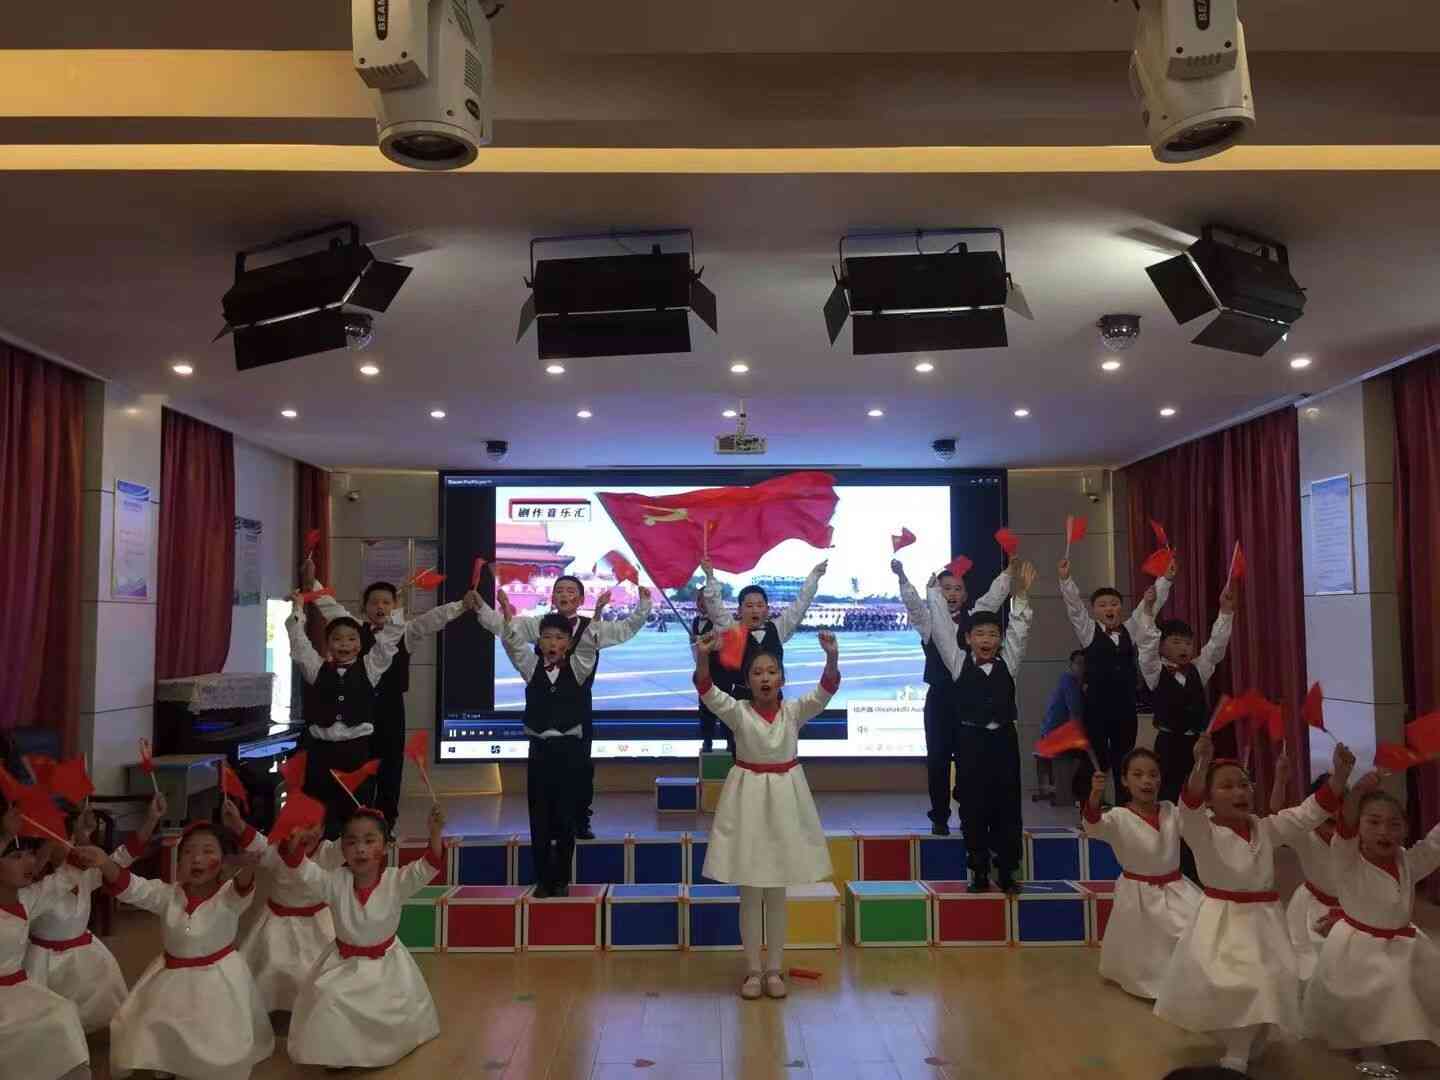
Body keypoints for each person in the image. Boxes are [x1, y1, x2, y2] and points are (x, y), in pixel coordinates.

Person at [1153, 732, 1354, 1076]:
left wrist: (1339, 777)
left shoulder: (1266, 828)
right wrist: (1201, 763)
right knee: (1242, 982)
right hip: (1223, 920)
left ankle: (1246, 1042)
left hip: (1265, 921)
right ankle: (1237, 1052)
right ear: (1210, 799)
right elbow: (1189, 806)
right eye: (1227, 786)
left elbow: (1307, 813)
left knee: (1273, 978)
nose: (1239, 792)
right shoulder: (1202, 830)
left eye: (1244, 785)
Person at [692, 627, 840, 1001]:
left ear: (782, 680)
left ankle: (774, 968)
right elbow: (707, 690)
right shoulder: (738, 712)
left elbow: (825, 690)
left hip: (786, 802)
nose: (765, 678)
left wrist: (831, 657)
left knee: (776, 892)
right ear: (748, 682)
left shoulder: (793, 712)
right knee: (750, 891)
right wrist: (703, 657)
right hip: (748, 802)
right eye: (757, 672)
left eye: (771, 672)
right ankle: (753, 970)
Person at [90, 818, 274, 1080]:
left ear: (223, 861)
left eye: (208, 851)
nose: (197, 859)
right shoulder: (167, 894)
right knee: (151, 1023)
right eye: (188, 852)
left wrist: (248, 866)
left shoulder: (229, 896)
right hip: (171, 975)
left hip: (217, 980)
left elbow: (243, 885)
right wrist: (103, 862)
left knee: (215, 1035)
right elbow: (132, 887)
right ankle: (168, 1060)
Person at [479, 575, 653, 839]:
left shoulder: (592, 627)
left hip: (578, 706)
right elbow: (505, 627)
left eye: (571, 591)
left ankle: (580, 819)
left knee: (581, 767)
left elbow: (626, 629)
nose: (564, 595)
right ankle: (546, 824)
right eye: (559, 590)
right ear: (552, 597)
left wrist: (644, 605)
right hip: (542, 708)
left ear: (581, 599)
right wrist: (481, 607)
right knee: (542, 773)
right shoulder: (538, 624)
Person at [304, 563, 478, 823]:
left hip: (389, 707)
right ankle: (352, 822)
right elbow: (330, 607)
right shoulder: (354, 630)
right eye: (374, 602)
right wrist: (312, 583)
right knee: (359, 769)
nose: (380, 607)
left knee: (390, 766)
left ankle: (387, 825)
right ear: (364, 607)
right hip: (356, 708)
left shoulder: (407, 632)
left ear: (395, 606)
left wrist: (462, 605)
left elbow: (433, 619)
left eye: (386, 602)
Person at [278, 803, 447, 1069]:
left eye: (369, 841)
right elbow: (304, 870)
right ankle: (339, 1052)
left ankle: (380, 1049)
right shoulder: (334, 882)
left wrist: (435, 833)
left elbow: (428, 866)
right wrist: (295, 844)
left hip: (387, 968)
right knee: (329, 997)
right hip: (343, 964)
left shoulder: (396, 881)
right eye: (352, 842)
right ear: (342, 849)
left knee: (391, 1010)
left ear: (386, 847)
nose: (360, 849)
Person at [1301, 772, 1440, 1064]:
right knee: (1370, 996)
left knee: (1410, 989)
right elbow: (1345, 826)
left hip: (1402, 942)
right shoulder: (1347, 857)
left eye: (1394, 824)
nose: (1384, 831)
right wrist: (1359, 790)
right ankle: (1369, 1044)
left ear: (1405, 830)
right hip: (1359, 947)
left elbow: (1434, 846)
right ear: (1358, 827)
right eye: (1373, 822)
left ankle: (1395, 1034)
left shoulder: (1407, 861)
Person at [496, 603, 629, 898]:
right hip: (539, 752)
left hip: (569, 751)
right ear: (539, 641)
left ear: (568, 643)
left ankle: (562, 879)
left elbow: (589, 647)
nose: (552, 643)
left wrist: (597, 616)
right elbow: (513, 644)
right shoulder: (530, 666)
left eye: (559, 638)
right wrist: (506, 617)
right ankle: (543, 880)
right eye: (546, 637)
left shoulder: (579, 668)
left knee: (565, 816)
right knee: (539, 817)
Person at [924, 560, 1037, 893]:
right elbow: (941, 628)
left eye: (993, 634)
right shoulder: (958, 662)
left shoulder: (1009, 662)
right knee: (973, 805)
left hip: (1004, 740)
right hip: (970, 740)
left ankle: (1007, 869)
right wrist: (933, 594)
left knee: (1007, 805)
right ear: (968, 639)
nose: (987, 639)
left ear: (1000, 640)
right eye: (980, 634)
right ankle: (977, 869)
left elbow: (1020, 629)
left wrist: (1021, 596)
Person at [287, 589, 428, 836]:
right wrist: (297, 609)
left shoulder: (370, 668)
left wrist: (397, 609)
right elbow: (299, 643)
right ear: (328, 643)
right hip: (321, 755)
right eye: (337, 639)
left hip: (356, 754)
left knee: (356, 817)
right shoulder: (315, 668)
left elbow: (388, 641)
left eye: (351, 639)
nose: (344, 644)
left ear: (360, 645)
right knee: (319, 819)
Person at [23, 795, 164, 1033]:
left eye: (69, 837)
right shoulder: (32, 886)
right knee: (45, 1020)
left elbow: (121, 858)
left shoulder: (84, 873)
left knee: (106, 999)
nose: (68, 844)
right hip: (44, 962)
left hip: (85, 952)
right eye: (56, 839)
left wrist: (151, 820)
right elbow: (51, 882)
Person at [896, 556, 1013, 835]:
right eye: (946, 588)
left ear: (966, 594)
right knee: (937, 759)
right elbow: (914, 606)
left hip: (969, 701)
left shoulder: (974, 621)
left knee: (969, 758)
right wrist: (902, 578)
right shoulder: (929, 622)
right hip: (939, 701)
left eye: (958, 589)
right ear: (938, 592)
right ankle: (939, 817)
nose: (952, 594)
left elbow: (994, 597)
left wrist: (1009, 572)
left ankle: (968, 809)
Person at [1081, 749, 1202, 999]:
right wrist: (1095, 794)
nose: (1146, 781)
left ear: (1160, 779)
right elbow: (1093, 827)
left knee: (1197, 930)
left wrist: (1201, 762)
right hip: (1137, 895)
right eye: (1137, 775)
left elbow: (1193, 816)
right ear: (1124, 780)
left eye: (1153, 774)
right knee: (1146, 952)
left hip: (1177, 889)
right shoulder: (1117, 817)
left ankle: (1190, 980)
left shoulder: (1170, 811)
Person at [1059, 556, 1175, 801]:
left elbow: (1149, 606)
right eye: (1102, 605)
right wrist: (1066, 579)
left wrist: (1166, 579)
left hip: (1125, 708)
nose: (1109, 608)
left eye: (1113, 604)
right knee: (1095, 762)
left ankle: (1126, 809)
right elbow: (1074, 608)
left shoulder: (1130, 629)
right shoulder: (1088, 630)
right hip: (1096, 710)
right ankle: (1090, 809)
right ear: (1094, 610)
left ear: (1120, 607)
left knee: (1125, 761)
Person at [229, 802, 344, 1016]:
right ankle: (274, 1007)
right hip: (278, 923)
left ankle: (314, 1009)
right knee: (272, 965)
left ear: (323, 830)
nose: (304, 832)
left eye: (312, 826)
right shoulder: (276, 850)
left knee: (320, 969)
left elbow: (346, 845)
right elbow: (256, 843)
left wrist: (364, 822)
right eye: (297, 825)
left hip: (319, 924)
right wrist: (237, 822)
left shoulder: (327, 852)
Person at [1, 832, 91, 1080]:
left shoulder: (27, 898)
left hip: (18, 987)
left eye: (30, 853)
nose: (30, 861)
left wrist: (79, 849)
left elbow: (62, 879)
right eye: (16, 856)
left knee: (63, 1012)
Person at [1137, 583, 1236, 806]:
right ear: (1161, 646)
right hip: (1168, 744)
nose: (1184, 648)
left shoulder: (1197, 669)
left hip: (1197, 744)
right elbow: (1146, 646)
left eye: (1188, 643)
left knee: (1197, 793)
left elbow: (1215, 648)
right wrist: (1148, 609)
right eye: (1176, 642)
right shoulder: (1154, 671)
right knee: (1168, 795)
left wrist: (1225, 611)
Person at [1272, 769, 1340, 986]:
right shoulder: (1304, 835)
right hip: (1310, 904)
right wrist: (1280, 780)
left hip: (1350, 907)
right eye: (1329, 803)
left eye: (1342, 802)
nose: (1334, 811)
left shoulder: (1355, 838)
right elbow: (1278, 813)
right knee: (1306, 962)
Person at [1040, 649, 1091, 805]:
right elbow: (1075, 712)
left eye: (1085, 664)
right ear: (1071, 665)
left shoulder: (1079, 684)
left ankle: (1066, 791)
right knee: (1084, 756)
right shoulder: (1068, 681)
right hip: (1056, 734)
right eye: (1079, 663)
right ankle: (1065, 794)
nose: (1082, 667)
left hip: (1060, 732)